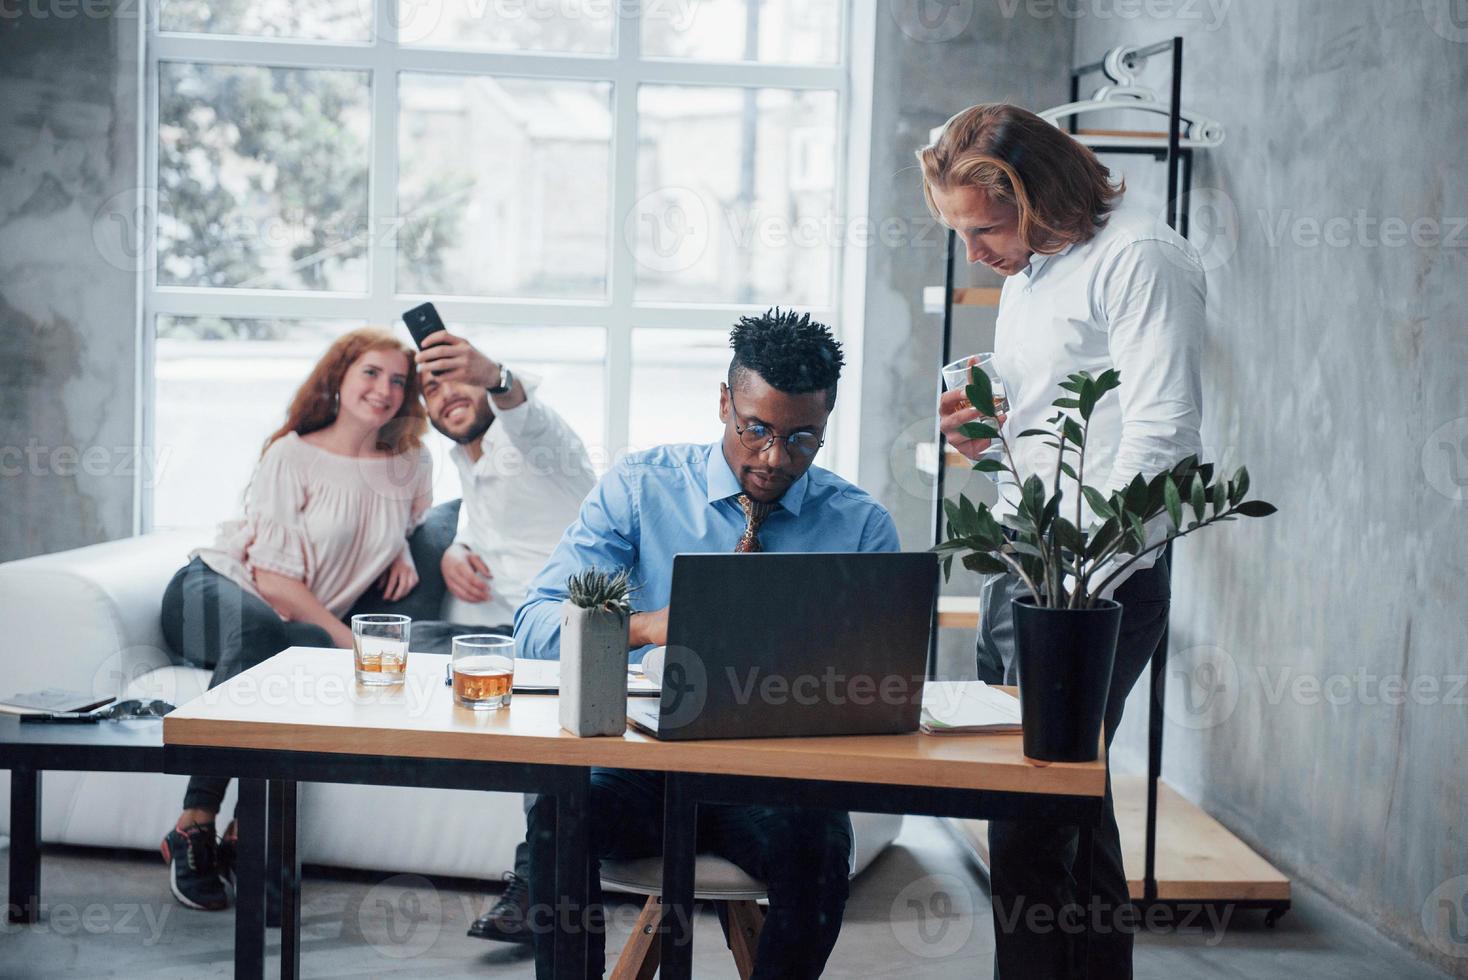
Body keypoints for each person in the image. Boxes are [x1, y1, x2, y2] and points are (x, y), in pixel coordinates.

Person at [514, 308, 900, 979]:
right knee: (559, 812)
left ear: (828, 419)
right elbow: (536, 626)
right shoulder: (640, 489)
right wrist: (647, 625)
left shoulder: (861, 527)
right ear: (724, 401)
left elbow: (889, 685)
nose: (775, 458)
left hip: (776, 780)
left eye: (802, 438)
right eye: (756, 430)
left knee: (819, 838)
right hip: (640, 767)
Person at [919, 103, 1205, 979]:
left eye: (986, 227)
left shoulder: (1141, 258)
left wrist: (1069, 577)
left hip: (1094, 585)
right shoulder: (1033, 263)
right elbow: (1038, 406)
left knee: (1041, 799)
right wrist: (977, 414)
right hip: (1024, 560)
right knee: (1040, 796)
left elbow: (1162, 436)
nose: (976, 250)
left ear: (1039, 194)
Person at [158, 328, 433, 911]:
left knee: (296, 646)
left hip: (291, 625)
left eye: (397, 381)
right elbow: (275, 581)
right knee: (277, 634)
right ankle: (194, 821)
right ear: (338, 376)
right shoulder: (293, 454)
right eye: (370, 373)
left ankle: (247, 834)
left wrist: (401, 549)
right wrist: (347, 640)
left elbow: (395, 526)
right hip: (214, 591)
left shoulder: (410, 464)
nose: (384, 390)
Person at [410, 327, 598, 943]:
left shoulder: (538, 443)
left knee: (518, 684)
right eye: (429, 389)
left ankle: (532, 885)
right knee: (384, 647)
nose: (444, 395)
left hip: (576, 636)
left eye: (454, 375)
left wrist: (495, 376)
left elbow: (529, 417)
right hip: (510, 635)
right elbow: (479, 523)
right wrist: (453, 550)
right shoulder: (469, 465)